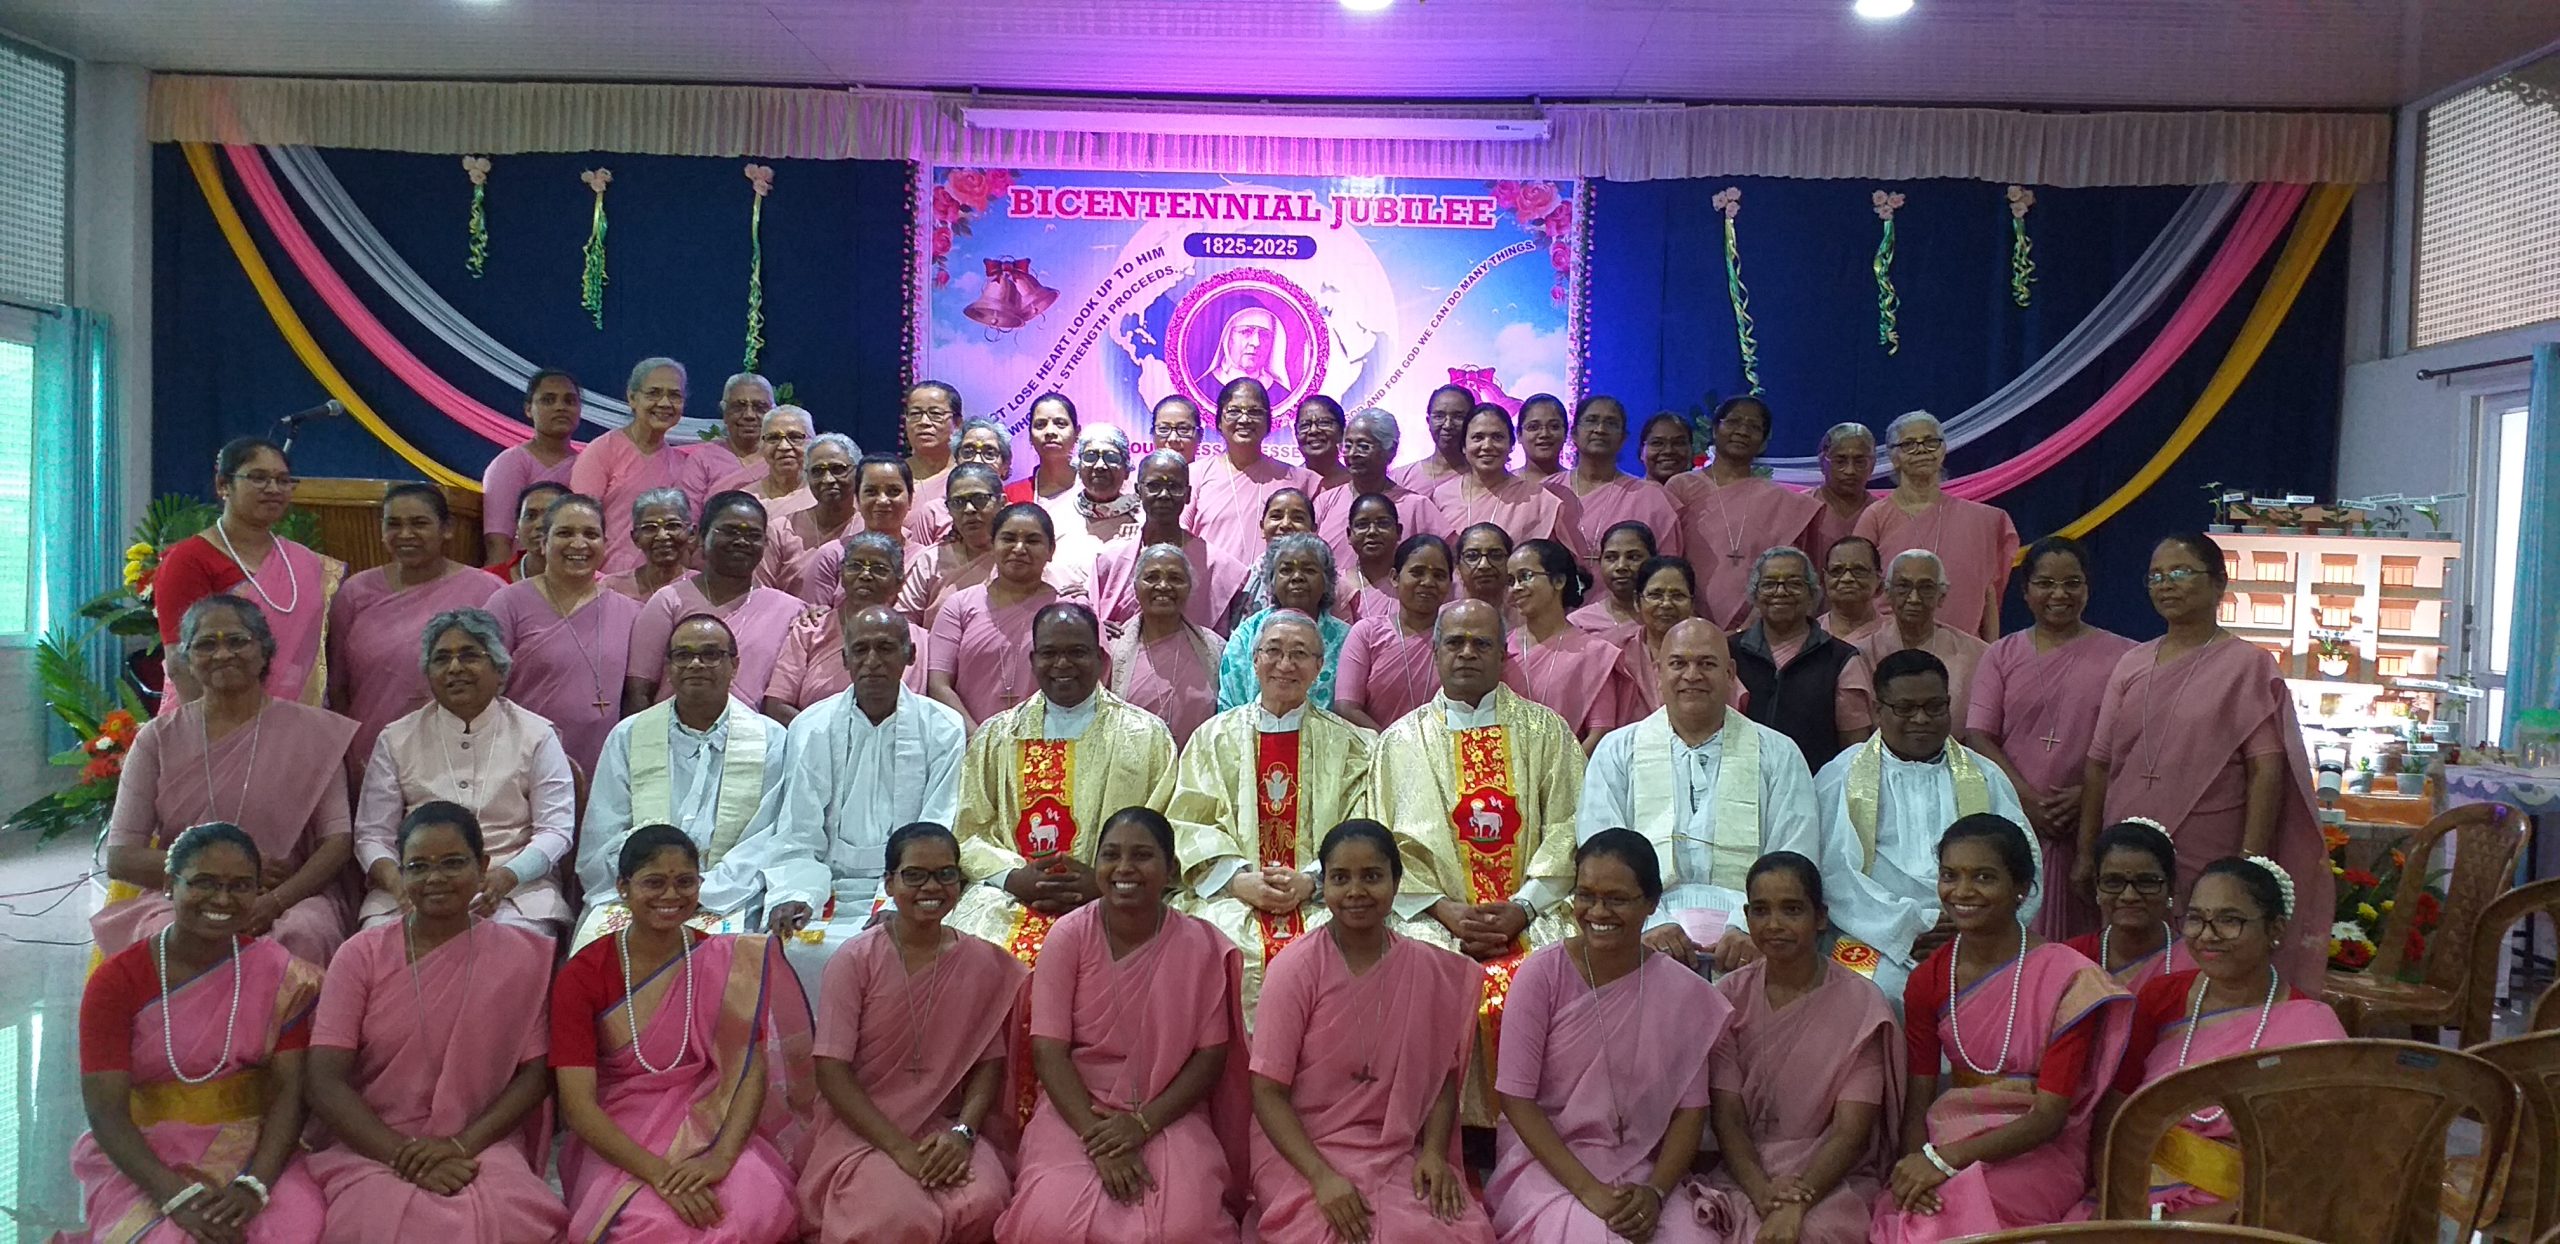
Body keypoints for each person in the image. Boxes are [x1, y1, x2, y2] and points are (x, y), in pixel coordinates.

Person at [305, 804, 567, 1244]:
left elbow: (535, 1075)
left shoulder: (522, 955)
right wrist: (402, 1155)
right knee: (373, 1223)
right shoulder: (361, 955)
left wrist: (460, 1145)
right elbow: (324, 1081)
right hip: (371, 1141)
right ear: (400, 872)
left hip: (480, 1140)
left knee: (513, 1216)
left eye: (452, 863)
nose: (435, 878)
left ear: (482, 867)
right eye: (418, 866)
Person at [2082, 533, 2331, 989]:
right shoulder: (2131, 663)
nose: (2165, 584)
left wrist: (2250, 860)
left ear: (2219, 583)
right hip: (2128, 843)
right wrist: (2087, 851)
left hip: (2209, 841)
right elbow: (2099, 762)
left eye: (2180, 572)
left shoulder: (2248, 665)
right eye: (2156, 576)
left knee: (2205, 959)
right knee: (2126, 956)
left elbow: (2265, 768)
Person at [993, 808, 1249, 1244]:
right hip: (1076, 1108)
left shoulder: (1200, 944)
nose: (1124, 868)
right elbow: (1048, 1051)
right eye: (1111, 855)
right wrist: (1098, 1140)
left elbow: (1210, 1057)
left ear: (1171, 869)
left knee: (1184, 1227)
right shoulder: (1069, 936)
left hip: (1168, 1109)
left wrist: (1142, 1125)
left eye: (1142, 856)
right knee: (1048, 1223)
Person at [1873, 815, 2130, 1243]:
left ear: (2021, 888)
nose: (1962, 891)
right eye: (1950, 876)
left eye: (1984, 877)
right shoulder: (1928, 979)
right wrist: (1915, 1168)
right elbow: (1918, 1102)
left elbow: (2049, 1118)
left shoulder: (2069, 978)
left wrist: (1943, 1162)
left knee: (1951, 1221)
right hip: (1950, 1133)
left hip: (2040, 1150)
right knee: (1914, 1215)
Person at [1372, 599, 1581, 1126]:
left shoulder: (1547, 732)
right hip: (1433, 916)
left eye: (1481, 643)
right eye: (1455, 642)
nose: (1467, 652)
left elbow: (1572, 827)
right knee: (1414, 970)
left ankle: (1547, 1128)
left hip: (1532, 913)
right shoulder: (1397, 743)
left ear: (1504, 653)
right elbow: (1380, 842)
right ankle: (1436, 1134)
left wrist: (1522, 908)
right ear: (1435, 652)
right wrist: (1444, 910)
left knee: (1558, 968)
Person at [551, 826, 809, 1244]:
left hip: (710, 1119)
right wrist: (660, 1174)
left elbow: (748, 1072)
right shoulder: (584, 974)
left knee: (754, 1204)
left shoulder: (723, 960)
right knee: (648, 1226)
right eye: (654, 882)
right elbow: (578, 1107)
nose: (671, 895)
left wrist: (721, 1158)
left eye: (685, 882)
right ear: (622, 887)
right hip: (619, 1134)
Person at [74, 824, 329, 1244]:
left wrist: (255, 1185)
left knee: (296, 1229)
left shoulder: (280, 974)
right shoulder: (116, 982)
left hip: (255, 1147)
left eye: (240, 886)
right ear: (169, 885)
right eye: (204, 883)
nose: (222, 899)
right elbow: (105, 1111)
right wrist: (172, 1194)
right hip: (144, 1154)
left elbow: (290, 1093)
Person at [1247, 821, 1494, 1244]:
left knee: (1451, 1233)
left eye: (1372, 876)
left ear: (1396, 883)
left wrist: (1434, 1153)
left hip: (1395, 1150)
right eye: (1340, 878)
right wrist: (1322, 1179)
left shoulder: (1425, 969)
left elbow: (1441, 1076)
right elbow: (1267, 1092)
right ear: (1323, 885)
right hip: (1303, 1152)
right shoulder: (1295, 969)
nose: (1356, 891)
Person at [1484, 830, 1731, 1243]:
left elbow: (1691, 1112)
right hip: (1547, 1165)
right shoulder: (1541, 975)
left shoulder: (1682, 992)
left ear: (1652, 903)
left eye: (1616, 899)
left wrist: (1656, 1193)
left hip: (1641, 1167)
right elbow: (1516, 1098)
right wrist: (1589, 1192)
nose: (1598, 911)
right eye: (1586, 895)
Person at [96, 596, 358, 968]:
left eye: (237, 641)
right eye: (206, 644)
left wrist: (275, 901)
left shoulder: (314, 733)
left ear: (265, 651)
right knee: (165, 935)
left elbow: (338, 842)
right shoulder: (157, 739)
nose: (222, 654)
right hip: (185, 893)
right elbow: (122, 857)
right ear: (187, 659)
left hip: (287, 895)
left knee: (305, 933)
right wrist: (216, 876)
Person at [797, 823, 1027, 1244]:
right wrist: (899, 1149)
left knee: (985, 1202)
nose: (931, 887)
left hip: (944, 1124)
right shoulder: (856, 960)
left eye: (945, 874)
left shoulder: (981, 962)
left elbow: (988, 1064)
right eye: (915, 875)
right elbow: (831, 1070)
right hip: (865, 1126)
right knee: (899, 1217)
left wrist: (963, 1135)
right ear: (889, 883)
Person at [728, 606, 968, 999]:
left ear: (910, 655)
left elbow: (938, 823)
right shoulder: (811, 725)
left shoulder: (942, 727)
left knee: (908, 951)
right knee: (789, 947)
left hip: (909, 887)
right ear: (845, 659)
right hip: (824, 880)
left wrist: (897, 900)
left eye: (885, 648)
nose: (872, 661)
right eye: (860, 650)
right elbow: (798, 829)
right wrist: (795, 893)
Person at [2101, 855, 2343, 1220]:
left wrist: (2217, 1219)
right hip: (2138, 1193)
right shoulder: (2161, 997)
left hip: (2249, 1210)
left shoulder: (2310, 1027)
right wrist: (2115, 1198)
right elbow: (2115, 1110)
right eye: (2196, 918)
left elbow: (2314, 1162)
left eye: (2230, 920)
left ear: (2276, 928)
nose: (2207, 935)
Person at [1580, 618, 1822, 973]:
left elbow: (1795, 854)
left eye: (1707, 663)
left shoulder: (1778, 753)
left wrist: (1750, 927)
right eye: (1678, 663)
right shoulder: (1617, 751)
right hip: (1642, 930)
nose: (1692, 675)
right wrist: (1650, 924)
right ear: (1658, 672)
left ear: (1730, 673)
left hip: (1753, 936)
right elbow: (1601, 852)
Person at [948, 604, 1179, 971]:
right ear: (1033, 659)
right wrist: (1014, 877)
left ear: (1100, 658)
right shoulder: (997, 736)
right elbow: (969, 830)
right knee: (969, 954)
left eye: (1077, 652)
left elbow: (1166, 828)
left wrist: (1105, 878)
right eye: (1050, 653)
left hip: (1115, 896)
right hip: (1010, 898)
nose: (1062, 664)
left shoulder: (1146, 736)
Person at [1170, 611, 1377, 1015]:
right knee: (1209, 940)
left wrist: (1312, 880)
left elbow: (1363, 823)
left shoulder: (1351, 744)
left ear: (1320, 666)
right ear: (1254, 660)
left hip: (1322, 899)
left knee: (1341, 943)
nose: (1285, 664)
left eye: (1299, 654)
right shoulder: (1213, 738)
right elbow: (1189, 821)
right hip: (1232, 896)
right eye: (1274, 651)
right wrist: (1237, 880)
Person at [1698, 853, 1903, 1244]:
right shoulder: (1728, 998)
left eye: (1792, 909)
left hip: (1831, 1179)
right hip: (1744, 1175)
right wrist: (1762, 1194)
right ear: (1747, 916)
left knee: (1812, 1233)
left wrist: (1798, 1202)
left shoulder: (1862, 1005)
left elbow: (1849, 1132)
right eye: (1761, 911)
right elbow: (1729, 1119)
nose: (1774, 924)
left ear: (1820, 917)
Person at [1814, 649, 2032, 1004]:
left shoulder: (1985, 775)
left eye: (1934, 707)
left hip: (1974, 929)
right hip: (1870, 934)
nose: (1921, 719)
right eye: (1905, 708)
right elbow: (1834, 873)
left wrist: (1970, 922)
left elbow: (2023, 863)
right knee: (1873, 991)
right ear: (1877, 710)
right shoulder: (1841, 775)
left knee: (1997, 988)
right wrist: (1907, 927)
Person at [352, 609, 575, 936]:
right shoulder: (396, 739)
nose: (455, 667)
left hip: (513, 889)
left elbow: (556, 830)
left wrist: (509, 875)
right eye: (441, 659)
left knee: (513, 945)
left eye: (469, 655)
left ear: (499, 669)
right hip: (415, 888)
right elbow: (372, 834)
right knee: (380, 945)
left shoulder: (537, 735)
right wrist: (399, 883)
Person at [574, 616, 791, 950]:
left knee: (737, 959)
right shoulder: (629, 735)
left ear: (734, 665)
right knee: (598, 954)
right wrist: (653, 885)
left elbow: (766, 836)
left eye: (710, 654)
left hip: (731, 896)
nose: (695, 664)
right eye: (683, 655)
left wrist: (703, 889)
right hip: (639, 896)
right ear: (669, 667)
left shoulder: (771, 739)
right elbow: (604, 832)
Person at [1963, 536, 2136, 938]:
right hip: (2016, 819)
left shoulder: (2126, 657)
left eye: (2072, 583)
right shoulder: (2000, 655)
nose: (2059, 594)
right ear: (2025, 591)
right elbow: (1979, 735)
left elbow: (2135, 744)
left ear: (2088, 588)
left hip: (2093, 824)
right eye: (2045, 584)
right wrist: (2029, 801)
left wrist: (2088, 795)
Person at [325, 483, 503, 778]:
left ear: (447, 529)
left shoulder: (487, 590)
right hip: (371, 751)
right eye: (394, 524)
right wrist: (349, 753)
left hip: (462, 751)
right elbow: (338, 686)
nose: (406, 534)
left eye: (419, 523)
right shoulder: (355, 592)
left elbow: (502, 680)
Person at [153, 437, 340, 708]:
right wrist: (225, 726)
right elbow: (180, 664)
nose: (273, 488)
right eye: (258, 478)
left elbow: (316, 660)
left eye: (283, 480)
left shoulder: (305, 562)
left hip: (292, 719)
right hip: (213, 719)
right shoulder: (190, 560)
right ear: (223, 485)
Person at [484, 491, 641, 775]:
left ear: (605, 544)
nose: (578, 544)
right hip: (520, 761)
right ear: (543, 543)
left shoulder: (630, 612)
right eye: (565, 533)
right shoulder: (508, 603)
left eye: (591, 534)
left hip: (604, 764)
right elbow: (484, 687)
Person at [622, 490, 804, 713]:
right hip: (669, 729)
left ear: (765, 543)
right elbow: (639, 691)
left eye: (753, 535)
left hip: (751, 731)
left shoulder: (790, 610)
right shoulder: (669, 600)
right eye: (729, 531)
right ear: (700, 537)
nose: (741, 541)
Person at [1852, 411, 2019, 640]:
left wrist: (1991, 651)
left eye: (1930, 442)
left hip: (1961, 650)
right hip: (1891, 647)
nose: (1921, 450)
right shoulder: (1875, 516)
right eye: (1909, 444)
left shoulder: (1983, 520)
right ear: (1893, 455)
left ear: (1943, 450)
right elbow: (1859, 589)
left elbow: (1988, 594)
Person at [1666, 397, 1823, 629]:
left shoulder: (1781, 502)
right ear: (1714, 429)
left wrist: (1751, 626)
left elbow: (1790, 570)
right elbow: (1669, 559)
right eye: (1733, 422)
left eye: (1754, 426)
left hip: (1760, 624)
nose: (1742, 431)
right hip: (1687, 618)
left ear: (1763, 441)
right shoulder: (1681, 487)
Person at [1732, 546, 1876, 769]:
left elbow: (1854, 750)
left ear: (1812, 593)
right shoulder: (1729, 652)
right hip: (1740, 780)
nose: (1781, 592)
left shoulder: (1841, 659)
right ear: (1755, 594)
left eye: (1794, 583)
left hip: (1815, 783)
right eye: (1769, 584)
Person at [765, 532, 933, 722]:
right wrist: (826, 734)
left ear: (899, 582)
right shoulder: (810, 630)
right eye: (855, 566)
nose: (865, 575)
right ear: (842, 576)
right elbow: (777, 705)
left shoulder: (920, 640)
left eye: (879, 569)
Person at [929, 502, 1071, 727]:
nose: (1019, 548)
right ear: (992, 545)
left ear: (1051, 551)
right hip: (969, 738)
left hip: (1050, 739)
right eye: (1008, 538)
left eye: (1033, 541)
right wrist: (975, 737)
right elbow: (938, 684)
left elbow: (1083, 685)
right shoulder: (959, 606)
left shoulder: (1067, 610)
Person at [1087, 450, 1249, 634]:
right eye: (1154, 486)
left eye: (1174, 486)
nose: (1164, 494)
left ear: (1188, 494)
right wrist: (1097, 630)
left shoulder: (1219, 567)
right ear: (1138, 491)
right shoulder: (1109, 562)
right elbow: (1092, 628)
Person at [1504, 538, 1634, 752]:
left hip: (1572, 767)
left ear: (1558, 581)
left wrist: (1565, 770)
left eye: (1525, 576)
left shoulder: (1594, 653)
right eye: (1511, 580)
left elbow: (1600, 732)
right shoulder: (1502, 647)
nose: (1516, 588)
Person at [573, 358, 698, 576]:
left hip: (662, 582)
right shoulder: (603, 451)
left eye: (674, 395)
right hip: (604, 580)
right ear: (632, 398)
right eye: (654, 393)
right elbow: (580, 523)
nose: (665, 403)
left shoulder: (680, 462)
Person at [1189, 377, 1324, 570]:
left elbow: (1316, 548)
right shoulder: (1194, 476)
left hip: (1278, 586)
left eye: (1254, 412)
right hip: (1209, 585)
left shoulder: (1301, 480)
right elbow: (1179, 536)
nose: (1244, 420)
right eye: (1234, 411)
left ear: (1269, 423)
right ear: (1218, 422)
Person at [1854, 550, 1990, 732]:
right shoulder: (1860, 653)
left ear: (1941, 596)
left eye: (1926, 588)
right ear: (1888, 593)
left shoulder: (1977, 654)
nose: (1914, 598)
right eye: (1903, 586)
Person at [1556, 398, 1686, 588]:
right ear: (1574, 433)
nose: (1600, 429)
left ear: (1623, 438)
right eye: (1591, 420)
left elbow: (1666, 572)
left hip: (1628, 605)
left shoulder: (1651, 497)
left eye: (1611, 423)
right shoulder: (1548, 492)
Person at [1106, 544, 1227, 747]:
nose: (1163, 586)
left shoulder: (1216, 649)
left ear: (1190, 587)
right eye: (1152, 577)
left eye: (1175, 578)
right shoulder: (1112, 650)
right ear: (1135, 587)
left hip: (1197, 763)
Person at [1335, 535, 1458, 732]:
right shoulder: (1367, 633)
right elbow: (1346, 708)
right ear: (1394, 577)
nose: (1428, 582)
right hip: (1375, 746)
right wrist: (1394, 744)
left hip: (1444, 746)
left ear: (1450, 583)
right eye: (1417, 573)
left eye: (1439, 575)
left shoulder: (1457, 639)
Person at [1217, 533, 1352, 713]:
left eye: (1309, 570)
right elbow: (1229, 708)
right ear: (1271, 580)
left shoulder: (1346, 640)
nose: (1297, 577)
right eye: (1286, 570)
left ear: (1327, 581)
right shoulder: (1247, 634)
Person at [1442, 405, 1590, 560]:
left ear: (1511, 445)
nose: (1487, 446)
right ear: (1464, 446)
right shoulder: (1442, 495)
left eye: (1497, 437)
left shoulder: (1540, 502)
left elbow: (1557, 565)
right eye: (1478, 437)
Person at [2062, 820, 2189, 990]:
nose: (2129, 896)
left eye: (2146, 882)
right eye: (2113, 882)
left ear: (2171, 887)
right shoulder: (2070, 958)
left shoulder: (2194, 962)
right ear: (2097, 887)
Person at [1317, 409, 1447, 570]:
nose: (1352, 453)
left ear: (1391, 450)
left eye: (1363, 446)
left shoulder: (1417, 506)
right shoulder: (1326, 501)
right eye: (1347, 446)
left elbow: (1447, 559)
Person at [480, 369, 584, 569]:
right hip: (523, 571)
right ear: (528, 409)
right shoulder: (510, 462)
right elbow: (497, 543)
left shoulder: (590, 463)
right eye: (548, 400)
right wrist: (502, 581)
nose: (560, 407)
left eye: (570, 401)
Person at [898, 463, 1005, 628]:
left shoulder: (1017, 557)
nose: (969, 509)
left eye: (979, 499)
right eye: (958, 502)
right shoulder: (932, 561)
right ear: (948, 509)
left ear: (1002, 502)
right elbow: (903, 622)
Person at [759, 429, 858, 590]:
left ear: (858, 472)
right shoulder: (780, 531)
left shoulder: (869, 528)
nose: (828, 479)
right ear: (807, 476)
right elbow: (762, 592)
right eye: (817, 471)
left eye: (838, 469)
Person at [672, 372, 778, 511]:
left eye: (760, 407)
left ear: (772, 414)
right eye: (739, 407)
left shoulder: (782, 456)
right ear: (725, 413)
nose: (749, 415)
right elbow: (686, 514)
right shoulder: (704, 458)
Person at [1610, 555, 1699, 721]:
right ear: (1637, 601)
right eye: (1655, 595)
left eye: (1678, 595)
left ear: (1692, 604)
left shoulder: (1710, 653)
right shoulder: (1615, 655)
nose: (1666, 604)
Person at [913, 419, 1013, 543]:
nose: (976, 460)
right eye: (968, 452)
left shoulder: (1014, 516)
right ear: (956, 461)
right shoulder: (934, 512)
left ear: (1005, 466)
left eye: (989, 453)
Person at [1806, 422, 1879, 576]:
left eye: (1860, 462)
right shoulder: (1801, 507)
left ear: (1872, 465)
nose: (1850, 471)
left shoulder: (1882, 512)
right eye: (1840, 461)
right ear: (1822, 463)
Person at [727, 404, 817, 524]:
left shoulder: (823, 494)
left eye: (795, 437)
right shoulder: (746, 501)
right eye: (773, 438)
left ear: (812, 443)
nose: (784, 446)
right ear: (761, 445)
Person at [601, 487, 693, 603]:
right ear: (635, 538)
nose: (662, 536)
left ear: (691, 533)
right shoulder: (612, 588)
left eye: (672, 526)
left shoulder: (703, 587)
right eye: (650, 528)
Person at [1571, 520, 1658, 638]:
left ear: (1653, 560)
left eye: (1633, 557)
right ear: (1600, 561)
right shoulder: (1578, 623)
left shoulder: (1664, 618)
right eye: (1611, 558)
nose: (1621, 566)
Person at [1060, 422, 1141, 548]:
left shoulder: (1143, 518)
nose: (1100, 466)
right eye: (1090, 456)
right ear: (1078, 467)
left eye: (1111, 458)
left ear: (1126, 471)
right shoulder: (1059, 517)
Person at [1332, 492, 1407, 623]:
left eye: (1383, 523)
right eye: (1362, 525)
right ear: (1349, 534)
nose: (1372, 531)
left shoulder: (1409, 584)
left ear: (1399, 531)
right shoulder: (1335, 585)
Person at [1390, 384, 1477, 495]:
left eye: (1458, 417)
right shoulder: (1399, 478)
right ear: (1428, 421)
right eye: (1439, 416)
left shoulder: (1483, 479)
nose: (1447, 425)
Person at [901, 380, 963, 528]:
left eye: (935, 414)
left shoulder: (966, 477)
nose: (924, 422)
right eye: (915, 414)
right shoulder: (893, 475)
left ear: (957, 423)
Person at [492, 480, 571, 584]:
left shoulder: (590, 582)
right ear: (517, 527)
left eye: (550, 515)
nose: (539, 524)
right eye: (530, 516)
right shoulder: (489, 580)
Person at [1012, 392, 1081, 509]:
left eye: (1060, 424)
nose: (1050, 431)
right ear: (1030, 436)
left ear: (1077, 433)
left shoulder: (1096, 491)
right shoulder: (1012, 496)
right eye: (1040, 425)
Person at [1817, 536, 1886, 644]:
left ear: (1878, 578)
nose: (1847, 578)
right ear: (1825, 577)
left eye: (1859, 570)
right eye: (1837, 570)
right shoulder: (1810, 635)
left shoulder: (1896, 634)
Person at [1454, 522, 1519, 613]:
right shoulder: (1445, 616)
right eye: (1472, 556)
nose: (1484, 565)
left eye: (1496, 555)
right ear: (1457, 568)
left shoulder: (1527, 615)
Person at [1292, 395, 1351, 489]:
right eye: (1305, 425)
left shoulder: (1357, 485)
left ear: (1342, 431)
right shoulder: (1287, 485)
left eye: (1324, 423)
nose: (1313, 430)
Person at [1515, 394, 1570, 485]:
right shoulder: (1503, 486)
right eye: (1533, 427)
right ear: (1519, 434)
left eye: (1554, 426)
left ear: (1566, 433)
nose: (1544, 434)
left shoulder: (1579, 485)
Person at [1637, 410, 1696, 485]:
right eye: (1657, 443)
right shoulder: (1629, 492)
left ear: (1691, 450)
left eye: (1678, 443)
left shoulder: (1705, 491)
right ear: (1641, 451)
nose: (1668, 451)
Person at [1150, 393, 1204, 462]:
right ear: (1152, 433)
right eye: (1164, 429)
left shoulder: (1210, 468)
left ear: (1200, 435)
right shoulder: (1141, 469)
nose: (1173, 438)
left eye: (1183, 429)